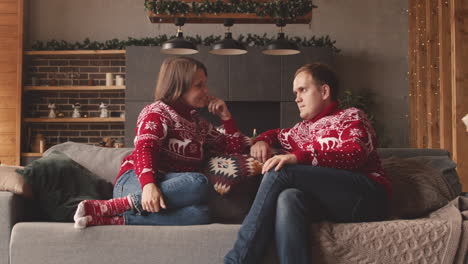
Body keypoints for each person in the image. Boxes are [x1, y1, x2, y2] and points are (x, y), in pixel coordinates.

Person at [224, 63, 392, 264]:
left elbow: (355, 155)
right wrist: (261, 140)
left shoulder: (351, 116)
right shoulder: (301, 130)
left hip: (368, 196)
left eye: (302, 90)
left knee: (281, 171)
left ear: (324, 91)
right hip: (335, 201)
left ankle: (237, 261)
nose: (297, 98)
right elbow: (276, 134)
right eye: (295, 92)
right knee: (289, 198)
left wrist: (298, 157)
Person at [73, 56, 249, 228]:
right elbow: (145, 149)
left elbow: (234, 148)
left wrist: (226, 117)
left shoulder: (200, 124)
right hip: (136, 181)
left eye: (205, 84)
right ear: (179, 87)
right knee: (199, 182)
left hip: (171, 188)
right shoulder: (156, 112)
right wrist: (149, 185)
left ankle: (114, 215)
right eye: (199, 85)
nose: (206, 91)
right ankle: (122, 203)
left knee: (201, 213)